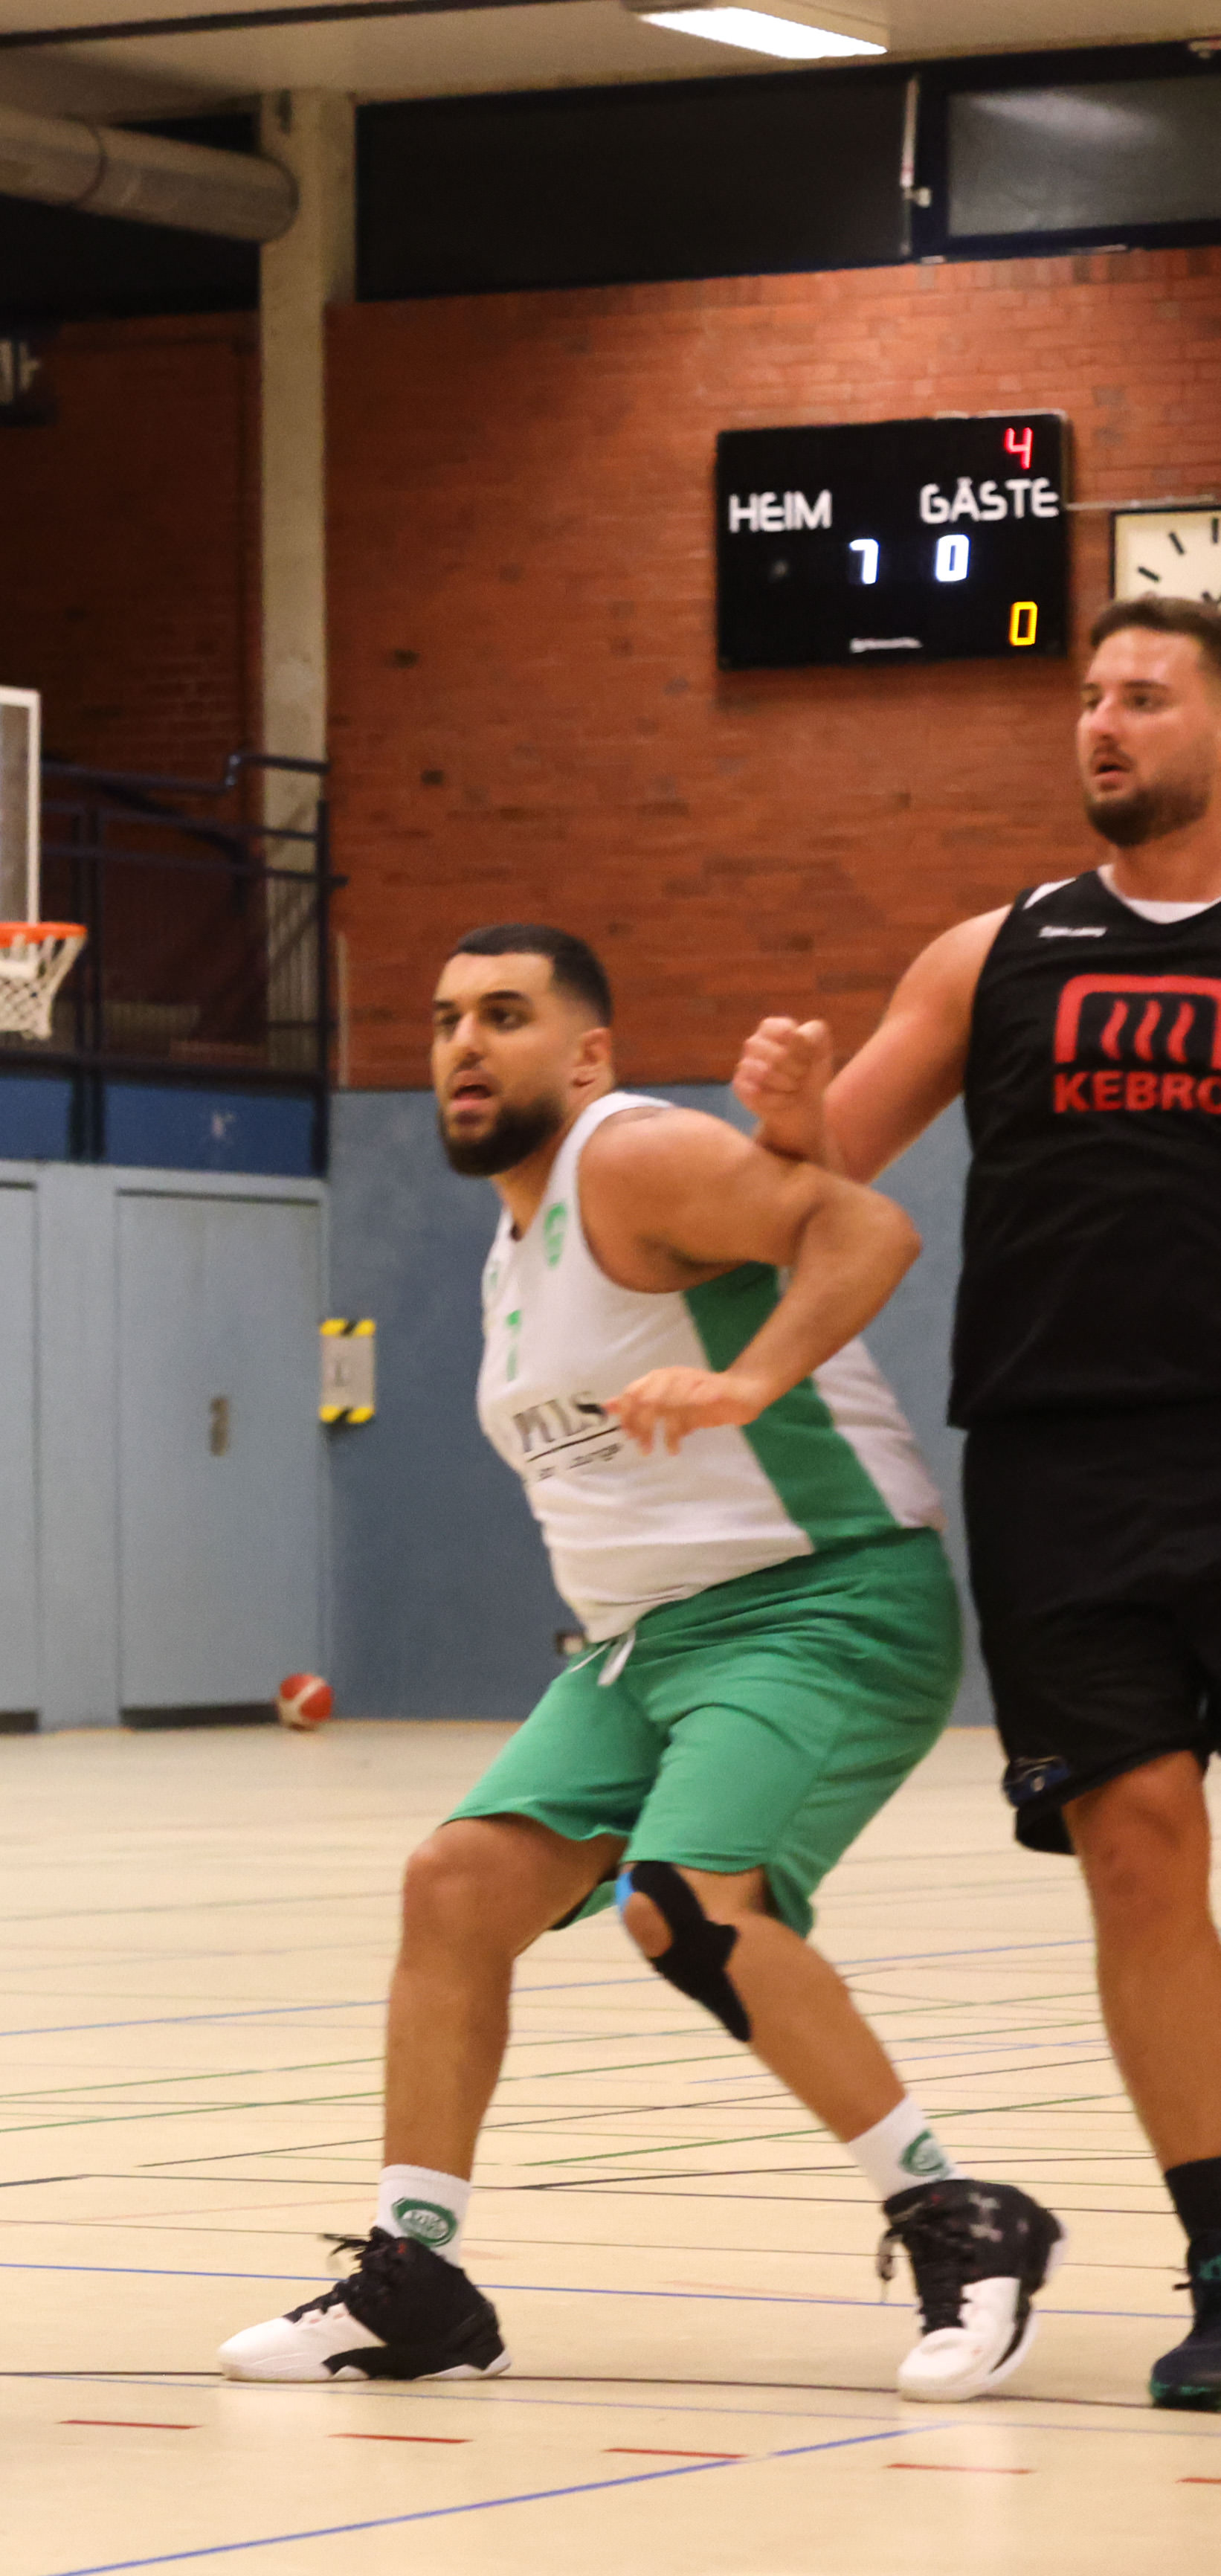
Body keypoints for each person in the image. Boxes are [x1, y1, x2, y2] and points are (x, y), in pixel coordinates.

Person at [216, 924, 1063, 2400]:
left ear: (587, 1052)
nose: (462, 1042)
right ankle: (416, 2275)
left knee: (683, 1905)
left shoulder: (628, 1155)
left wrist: (749, 1376)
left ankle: (958, 2216)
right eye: (442, 1018)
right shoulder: (512, 1242)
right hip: (646, 1644)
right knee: (454, 1884)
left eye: (503, 1014)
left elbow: (865, 1229)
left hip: (818, 1599)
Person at [734, 595, 1221, 2412]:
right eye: (1087, 695)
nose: (1101, 722)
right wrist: (785, 1111)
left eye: (1143, 696)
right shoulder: (992, 950)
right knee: (1137, 1842)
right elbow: (819, 1173)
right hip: (1060, 1460)